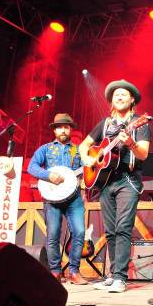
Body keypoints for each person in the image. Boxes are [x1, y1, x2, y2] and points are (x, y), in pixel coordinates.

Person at [79, 80, 151, 292]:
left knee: (123, 227)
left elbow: (144, 154)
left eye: (124, 94)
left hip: (128, 180)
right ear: (112, 101)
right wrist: (88, 159)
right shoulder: (104, 124)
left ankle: (120, 277)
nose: (119, 97)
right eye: (116, 95)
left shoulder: (140, 123)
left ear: (132, 100)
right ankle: (112, 275)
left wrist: (130, 143)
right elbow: (84, 146)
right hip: (105, 181)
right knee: (110, 230)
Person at [27, 113, 87, 284]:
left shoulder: (77, 150)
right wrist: (48, 175)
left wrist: (88, 171)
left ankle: (74, 271)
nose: (63, 129)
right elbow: (32, 167)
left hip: (74, 198)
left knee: (80, 232)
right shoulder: (45, 149)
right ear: (54, 130)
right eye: (59, 126)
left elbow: (87, 169)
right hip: (51, 198)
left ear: (70, 130)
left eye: (66, 127)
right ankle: (55, 271)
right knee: (53, 235)